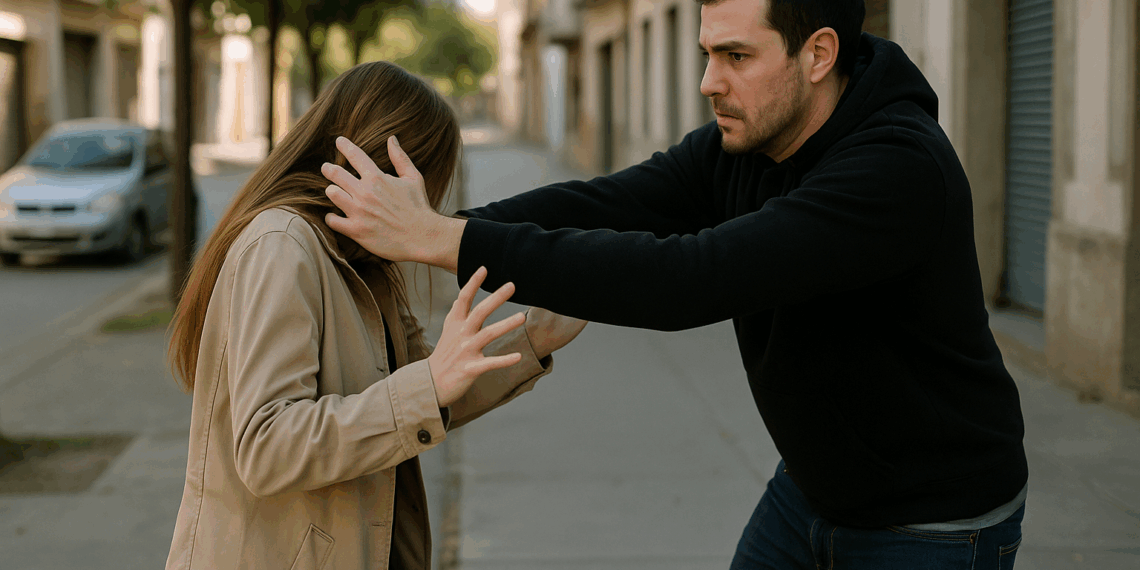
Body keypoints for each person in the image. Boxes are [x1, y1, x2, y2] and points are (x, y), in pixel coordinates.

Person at [321, 0, 1031, 568]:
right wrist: (429, 228)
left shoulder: (894, 170)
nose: (708, 82)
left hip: (932, 524)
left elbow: (689, 279)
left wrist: (442, 241)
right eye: (707, 54)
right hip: (814, 490)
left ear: (818, 54)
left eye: (736, 56)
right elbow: (607, 203)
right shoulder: (744, 143)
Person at [163, 61, 586, 570]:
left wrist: (533, 340)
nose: (427, 204)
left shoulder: (358, 257)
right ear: (387, 166)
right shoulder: (282, 245)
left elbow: (430, 394)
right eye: (427, 180)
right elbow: (267, 446)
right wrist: (428, 383)